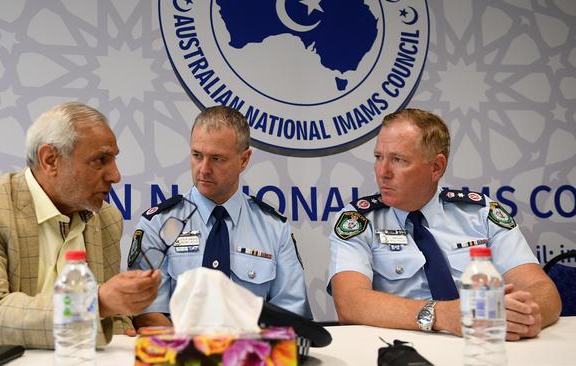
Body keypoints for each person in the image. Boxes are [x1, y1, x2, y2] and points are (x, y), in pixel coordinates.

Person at [0, 102, 161, 348]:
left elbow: (112, 318)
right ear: (50, 160)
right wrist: (97, 302)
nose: (115, 175)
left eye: (113, 160)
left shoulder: (107, 219)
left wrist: (125, 321)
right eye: (100, 160)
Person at [328, 108, 561, 340]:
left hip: (480, 347)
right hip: (402, 350)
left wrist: (526, 316)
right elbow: (350, 304)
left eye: (398, 160)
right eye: (379, 157)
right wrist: (444, 315)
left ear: (436, 167)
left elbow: (543, 290)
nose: (383, 172)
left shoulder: (480, 213)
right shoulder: (358, 220)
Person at [128, 105, 312, 328]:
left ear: (244, 160)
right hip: (181, 358)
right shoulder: (158, 224)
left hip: (252, 357)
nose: (203, 169)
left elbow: (292, 314)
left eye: (217, 159)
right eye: (197, 155)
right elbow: (147, 312)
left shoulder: (274, 227)